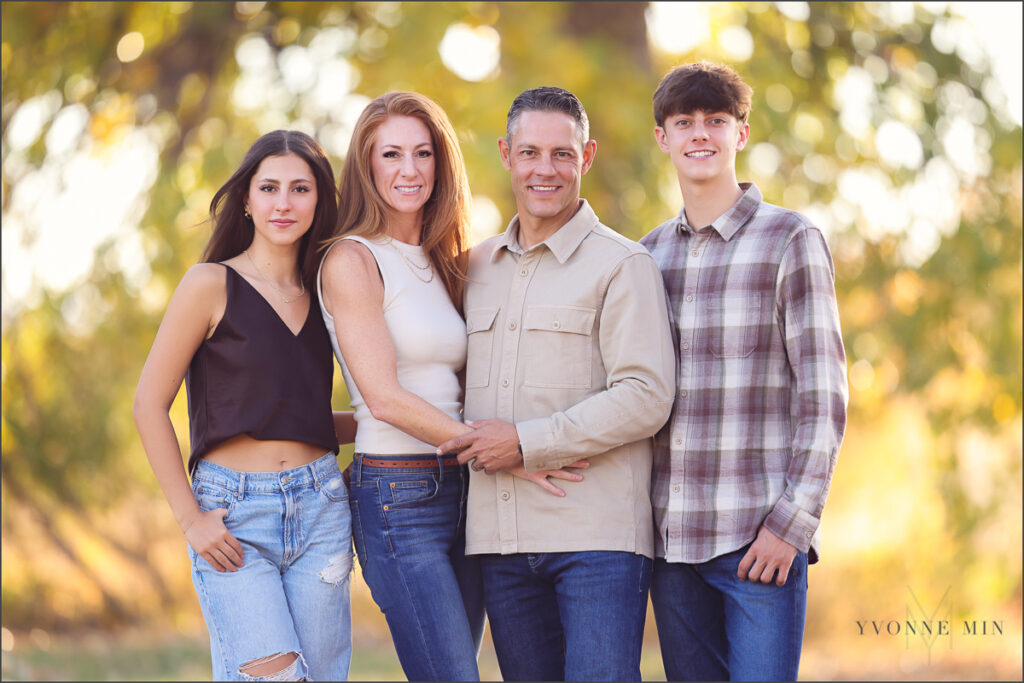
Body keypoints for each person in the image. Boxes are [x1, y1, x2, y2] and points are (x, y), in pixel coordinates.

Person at [316, 91, 586, 682]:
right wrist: (504, 452)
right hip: (396, 497)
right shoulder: (352, 260)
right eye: (391, 154)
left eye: (422, 153)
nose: (409, 170)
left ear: (441, 164)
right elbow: (383, 397)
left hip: (464, 489)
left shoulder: (445, 260)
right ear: (366, 167)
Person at [435, 87, 676, 682]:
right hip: (501, 539)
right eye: (530, 152)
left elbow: (647, 395)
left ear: (586, 157)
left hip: (596, 541)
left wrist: (527, 440)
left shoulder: (623, 265)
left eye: (562, 154)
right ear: (506, 154)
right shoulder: (475, 267)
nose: (546, 169)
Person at [639, 61, 849, 681]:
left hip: (759, 541)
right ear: (663, 138)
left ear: (742, 133)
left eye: (716, 120)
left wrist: (792, 525)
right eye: (684, 122)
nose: (700, 134)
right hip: (671, 544)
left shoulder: (791, 238)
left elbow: (825, 396)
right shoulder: (646, 256)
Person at [133, 130, 355, 681]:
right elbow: (148, 405)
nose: (284, 203)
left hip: (321, 508)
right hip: (233, 517)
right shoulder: (210, 284)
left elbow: (290, 418)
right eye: (270, 187)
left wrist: (396, 427)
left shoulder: (327, 292)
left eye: (300, 189)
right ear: (248, 201)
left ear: (320, 200)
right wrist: (190, 520)